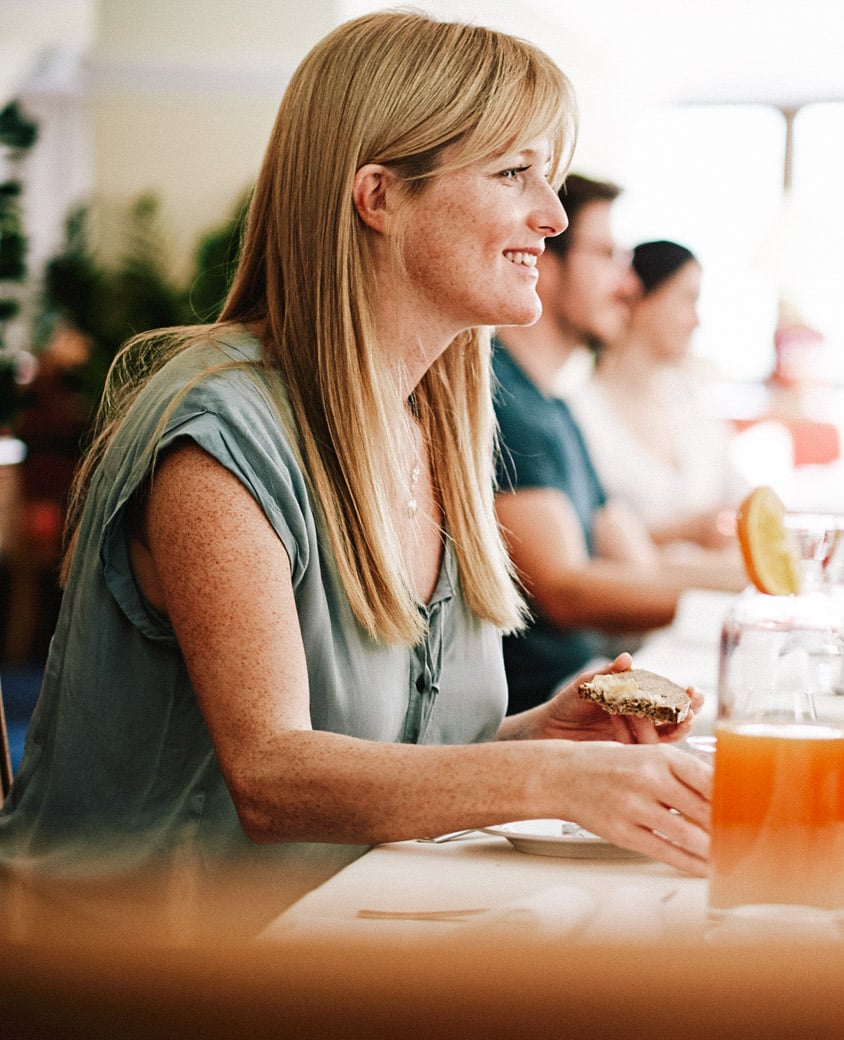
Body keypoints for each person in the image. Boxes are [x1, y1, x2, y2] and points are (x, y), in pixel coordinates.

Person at [0, 12, 711, 927]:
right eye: (513, 173)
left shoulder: (432, 427)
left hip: (331, 947)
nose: (555, 215)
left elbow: (380, 754)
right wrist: (547, 777)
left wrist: (539, 733)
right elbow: (273, 776)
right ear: (378, 196)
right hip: (137, 997)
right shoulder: (217, 433)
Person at [493, 182, 743, 713]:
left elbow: (629, 554)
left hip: (587, 685)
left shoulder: (554, 408)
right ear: (545, 258)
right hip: (540, 709)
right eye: (608, 256)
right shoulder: (500, 399)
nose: (629, 286)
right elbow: (566, 590)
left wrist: (754, 582)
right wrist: (734, 597)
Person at [569, 240, 747, 552]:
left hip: (712, 589)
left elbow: (742, 496)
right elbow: (584, 543)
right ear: (639, 300)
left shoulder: (690, 399)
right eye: (687, 300)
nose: (697, 320)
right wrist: (686, 530)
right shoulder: (578, 408)